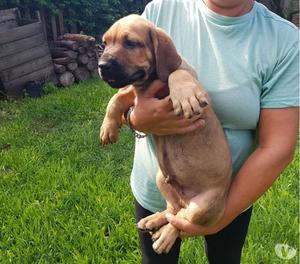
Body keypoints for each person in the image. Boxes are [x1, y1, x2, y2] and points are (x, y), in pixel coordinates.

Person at [126, 0, 299, 263]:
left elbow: (277, 146)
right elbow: (130, 87)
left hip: (227, 190)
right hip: (159, 186)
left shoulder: (284, 40)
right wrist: (135, 119)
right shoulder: (161, 10)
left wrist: (221, 214)